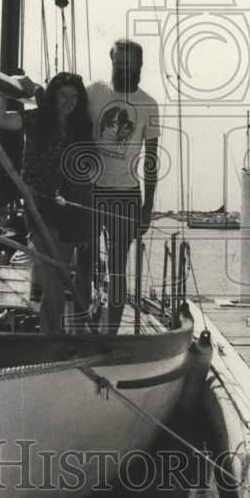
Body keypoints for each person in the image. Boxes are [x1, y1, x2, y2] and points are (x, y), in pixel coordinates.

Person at [0, 72, 93, 336]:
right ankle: (52, 337)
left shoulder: (81, 127)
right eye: (62, 95)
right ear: (53, 96)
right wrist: (6, 89)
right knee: (54, 275)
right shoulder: (36, 120)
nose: (68, 101)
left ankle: (57, 334)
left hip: (71, 208)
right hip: (40, 206)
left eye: (73, 96)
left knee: (61, 275)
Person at [83, 38, 160, 333]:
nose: (125, 71)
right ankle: (81, 324)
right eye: (119, 64)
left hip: (127, 195)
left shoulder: (148, 105)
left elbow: (151, 160)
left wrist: (148, 206)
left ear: (140, 66)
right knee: (84, 260)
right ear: (111, 61)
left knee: (117, 266)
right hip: (91, 191)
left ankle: (111, 333)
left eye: (131, 65)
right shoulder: (94, 92)